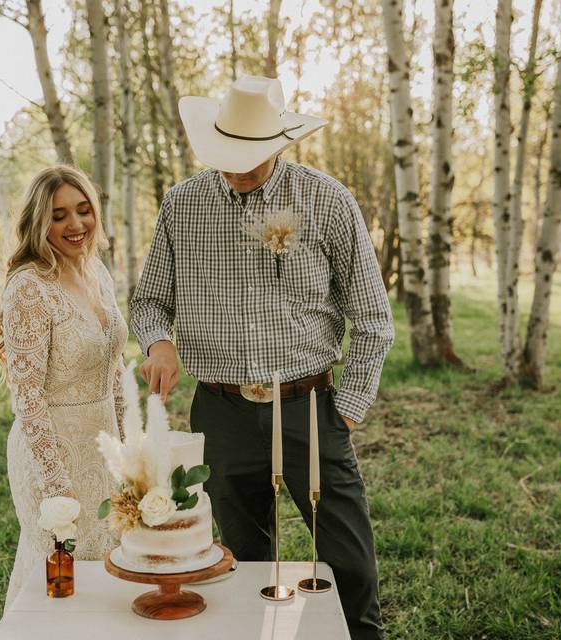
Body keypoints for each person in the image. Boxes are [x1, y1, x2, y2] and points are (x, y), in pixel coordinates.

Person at [130, 75, 394, 640]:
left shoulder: (327, 199)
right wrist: (160, 343)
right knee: (246, 563)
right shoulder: (182, 205)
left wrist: (344, 410)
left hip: (310, 406)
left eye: (252, 156)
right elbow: (149, 301)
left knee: (348, 559)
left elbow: (372, 317)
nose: (238, 167)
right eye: (229, 154)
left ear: (280, 144)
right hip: (220, 414)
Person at [0, 165, 127, 611]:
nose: (75, 225)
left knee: (110, 575)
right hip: (54, 455)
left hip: (104, 451)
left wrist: (126, 451)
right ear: (38, 222)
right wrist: (55, 482)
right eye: (59, 215)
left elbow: (115, 369)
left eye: (83, 211)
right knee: (59, 581)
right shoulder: (29, 287)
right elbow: (27, 395)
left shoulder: (98, 272)